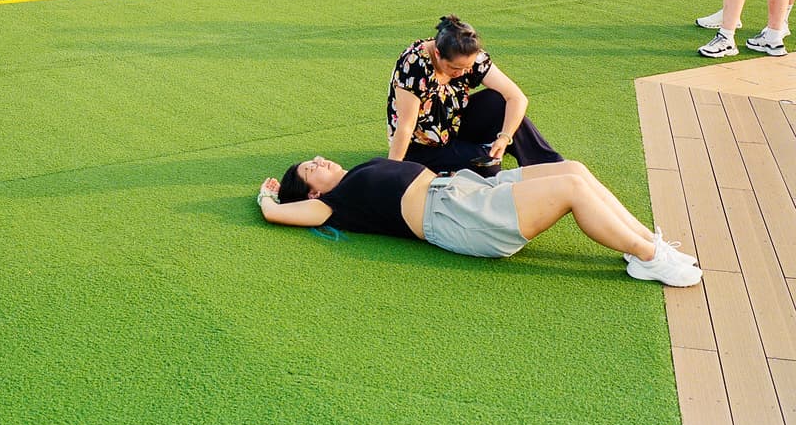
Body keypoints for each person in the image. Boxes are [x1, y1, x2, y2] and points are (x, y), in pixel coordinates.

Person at [256, 156, 701, 286]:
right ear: (313, 192)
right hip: (459, 218)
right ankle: (650, 258)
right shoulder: (333, 205)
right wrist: (268, 195)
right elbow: (275, 213)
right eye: (310, 169)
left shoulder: (355, 174)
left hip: (465, 190)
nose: (319, 161)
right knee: (571, 190)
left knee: (575, 170)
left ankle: (647, 243)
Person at [386, 15, 562, 176]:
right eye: (455, 68)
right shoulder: (414, 65)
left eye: (467, 67)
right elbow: (406, 126)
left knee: (498, 100)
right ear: (438, 54)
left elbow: (517, 98)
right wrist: (391, 172)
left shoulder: (471, 57)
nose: (462, 73)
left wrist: (505, 137)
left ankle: (554, 167)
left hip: (454, 126)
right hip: (422, 146)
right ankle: (475, 154)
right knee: (486, 165)